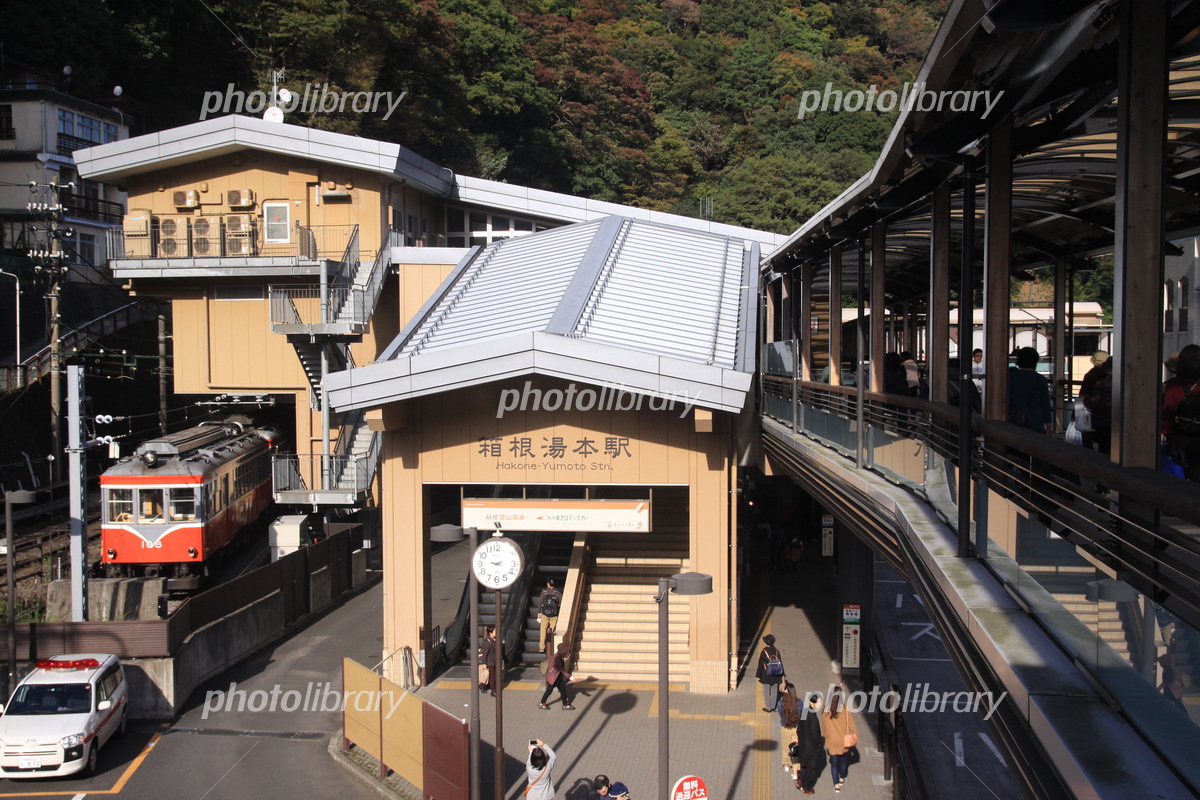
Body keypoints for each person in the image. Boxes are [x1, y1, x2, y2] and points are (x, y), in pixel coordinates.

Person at [1162, 343, 1200, 479]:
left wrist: (1165, 435)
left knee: (1178, 476)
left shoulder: (1171, 386)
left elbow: (1166, 414)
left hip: (1179, 438)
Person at [820, 685, 860, 793]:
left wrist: (827, 736)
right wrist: (855, 734)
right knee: (843, 761)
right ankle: (842, 777)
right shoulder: (845, 709)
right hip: (843, 741)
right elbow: (852, 725)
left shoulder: (826, 711)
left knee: (834, 763)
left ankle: (836, 784)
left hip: (831, 741)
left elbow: (824, 727)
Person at [1007, 347, 1053, 433]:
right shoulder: (1040, 379)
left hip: (1015, 421)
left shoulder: (1012, 377)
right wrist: (1048, 424)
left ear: (1019, 361)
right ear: (1035, 361)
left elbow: (1008, 400)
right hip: (1036, 422)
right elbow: (1045, 403)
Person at [1080, 350, 1113, 455]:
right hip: (1118, 420)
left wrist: (1086, 401)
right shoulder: (1123, 382)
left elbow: (1093, 401)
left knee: (1103, 448)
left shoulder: (1094, 378)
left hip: (1101, 419)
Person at [794, 693, 826, 794]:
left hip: (803, 744)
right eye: (819, 702)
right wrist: (819, 745)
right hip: (811, 748)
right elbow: (815, 735)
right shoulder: (813, 718)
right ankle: (807, 788)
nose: (820, 704)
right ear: (813, 703)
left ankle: (800, 781)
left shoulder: (804, 711)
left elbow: (800, 728)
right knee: (811, 769)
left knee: (803, 765)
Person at [539, 642, 575, 709]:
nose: (567, 652)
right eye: (566, 651)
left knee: (563, 690)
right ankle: (542, 703)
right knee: (549, 690)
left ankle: (565, 704)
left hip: (558, 677)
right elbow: (561, 669)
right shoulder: (557, 657)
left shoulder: (558, 655)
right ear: (562, 650)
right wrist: (570, 677)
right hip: (553, 678)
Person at [755, 634, 785, 712]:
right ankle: (773, 706)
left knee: (766, 691)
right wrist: (782, 674)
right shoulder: (776, 651)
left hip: (767, 674)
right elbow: (780, 663)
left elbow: (761, 664)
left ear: (766, 643)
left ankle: (768, 707)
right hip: (776, 674)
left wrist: (758, 675)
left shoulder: (764, 651)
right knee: (774, 690)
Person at [777, 680, 801, 780]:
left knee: (785, 746)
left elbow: (780, 714)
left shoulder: (780, 703)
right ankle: (795, 771)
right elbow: (802, 716)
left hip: (785, 726)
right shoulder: (799, 703)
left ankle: (786, 764)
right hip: (796, 727)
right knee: (795, 749)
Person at [537, 578, 563, 653]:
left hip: (544, 614)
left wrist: (539, 612)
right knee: (552, 630)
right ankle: (551, 646)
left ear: (548, 584)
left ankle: (542, 647)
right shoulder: (557, 592)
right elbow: (561, 602)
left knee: (543, 631)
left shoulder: (544, 592)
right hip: (554, 615)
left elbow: (540, 602)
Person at [479, 624, 498, 696]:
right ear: (490, 633)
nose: (496, 632)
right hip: (490, 662)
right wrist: (484, 663)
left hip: (495, 661)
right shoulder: (487, 642)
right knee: (492, 677)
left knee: (491, 676)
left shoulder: (495, 639)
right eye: (495, 631)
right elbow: (485, 654)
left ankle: (483, 685)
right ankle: (493, 691)